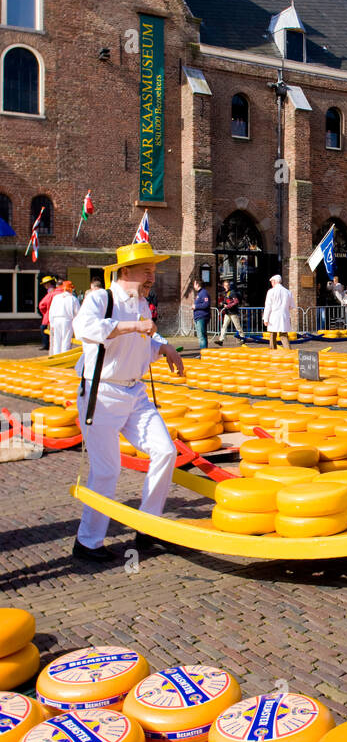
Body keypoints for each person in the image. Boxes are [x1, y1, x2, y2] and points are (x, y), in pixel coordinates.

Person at [70, 241, 185, 563]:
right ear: (125, 271)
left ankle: (147, 528)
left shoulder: (143, 304)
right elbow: (84, 328)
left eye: (153, 271)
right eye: (146, 271)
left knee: (165, 451)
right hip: (101, 392)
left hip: (135, 394)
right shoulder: (101, 298)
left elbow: (143, 343)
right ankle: (88, 543)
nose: (151, 277)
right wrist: (132, 325)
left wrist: (165, 348)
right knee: (107, 471)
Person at [47, 281, 80, 354]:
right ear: (71, 289)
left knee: (57, 340)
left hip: (56, 320)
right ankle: (64, 356)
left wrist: (52, 323)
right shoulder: (73, 299)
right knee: (66, 340)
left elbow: (51, 311)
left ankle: (56, 356)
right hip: (67, 320)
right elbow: (77, 313)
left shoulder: (56, 298)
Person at [262, 273, 294, 348]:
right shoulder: (288, 292)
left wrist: (265, 318)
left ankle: (273, 352)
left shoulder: (271, 291)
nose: (271, 283)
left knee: (273, 335)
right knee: (284, 335)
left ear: (274, 281)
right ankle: (289, 353)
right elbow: (291, 306)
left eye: (272, 282)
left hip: (274, 316)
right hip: (284, 316)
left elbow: (268, 306)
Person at [215, 280, 245, 345]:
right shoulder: (226, 293)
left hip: (233, 312)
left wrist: (228, 306)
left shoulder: (232, 292)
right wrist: (222, 303)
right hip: (227, 313)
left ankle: (243, 338)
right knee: (224, 326)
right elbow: (227, 301)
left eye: (227, 285)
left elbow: (236, 301)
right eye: (225, 285)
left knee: (238, 327)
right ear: (223, 286)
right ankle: (221, 340)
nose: (226, 287)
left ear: (229, 285)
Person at [38, 276, 58, 350]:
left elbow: (42, 305)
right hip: (55, 315)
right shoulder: (56, 292)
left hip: (49, 315)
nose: (45, 286)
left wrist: (45, 313)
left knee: (44, 328)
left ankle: (46, 345)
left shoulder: (51, 293)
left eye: (46, 284)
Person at [192, 278, 211, 349]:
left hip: (202, 317)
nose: (194, 286)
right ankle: (203, 352)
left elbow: (206, 304)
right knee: (201, 336)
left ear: (197, 284)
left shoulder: (204, 293)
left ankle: (203, 353)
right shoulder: (199, 293)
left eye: (194, 284)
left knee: (201, 336)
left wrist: (196, 306)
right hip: (198, 317)